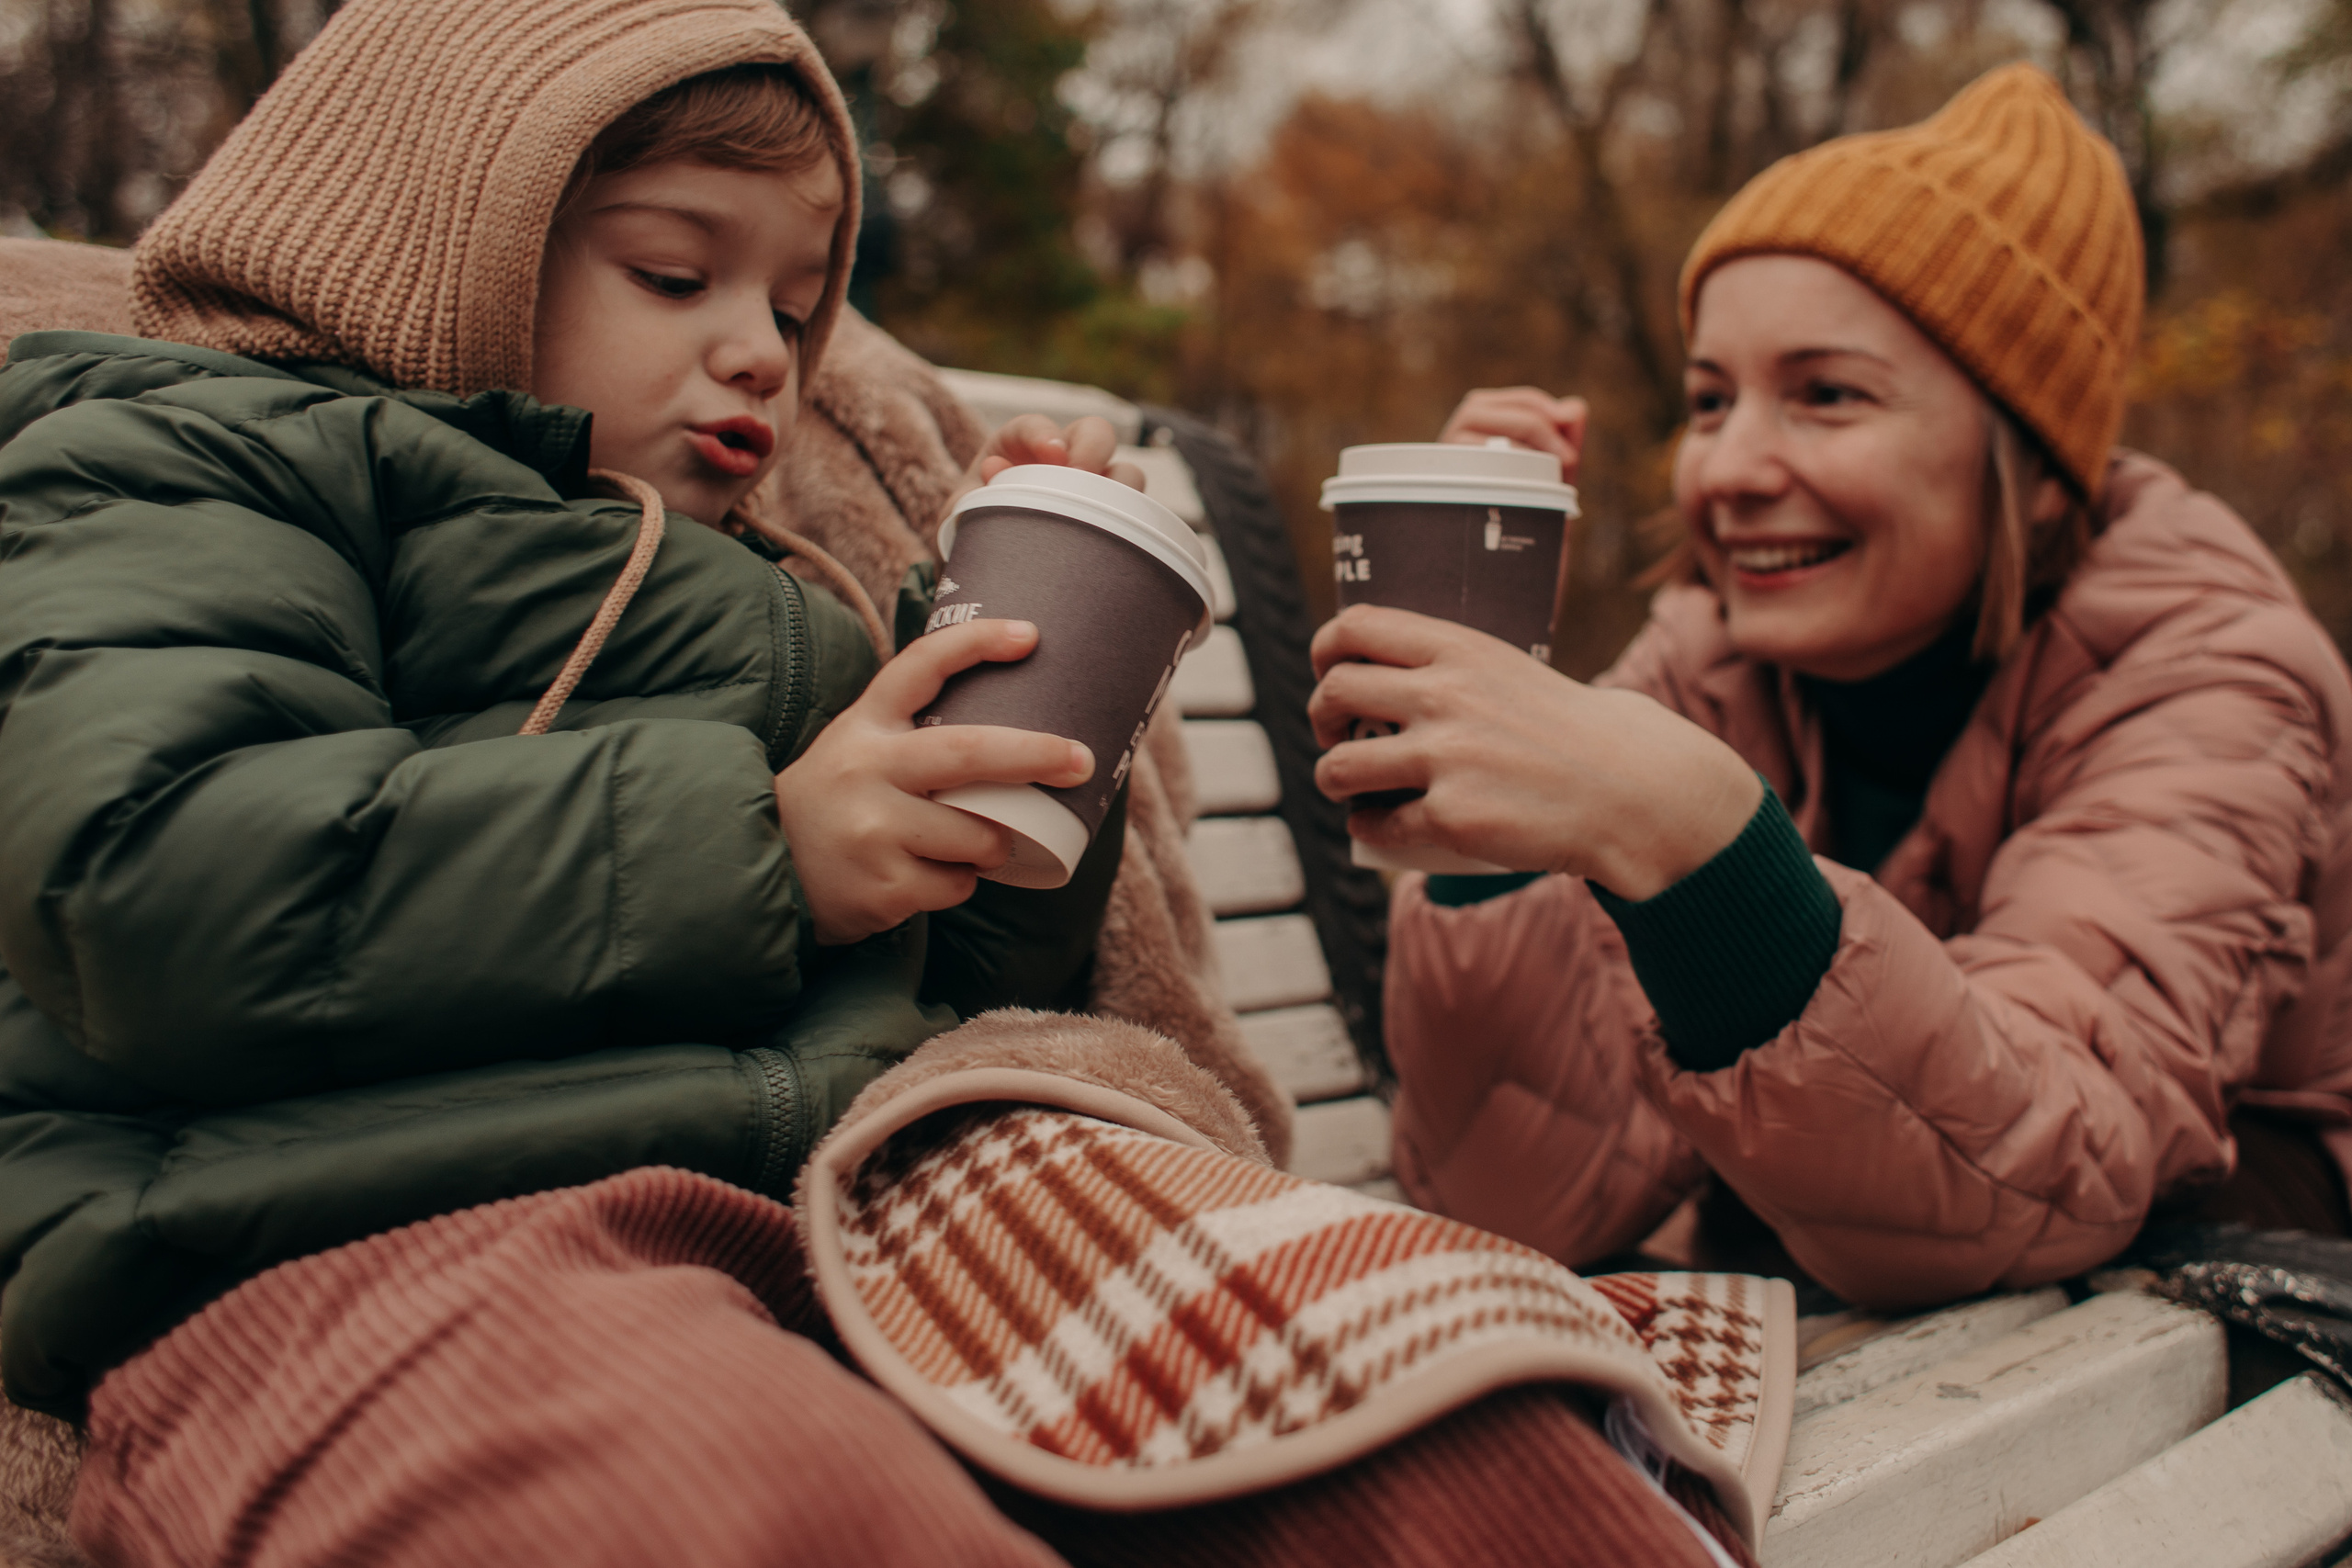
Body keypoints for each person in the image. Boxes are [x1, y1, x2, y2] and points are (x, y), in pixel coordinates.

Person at [0, 5, 1761, 1564]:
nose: (767, 348)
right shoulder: (189, 466)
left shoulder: (766, 588)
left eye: (790, 296)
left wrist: (995, 672)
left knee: (1423, 1415)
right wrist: (773, 853)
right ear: (432, 234)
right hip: (337, 1238)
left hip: (833, 1198)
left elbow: (958, 983)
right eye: (676, 275)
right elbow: (148, 884)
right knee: (736, 1504)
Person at [1317, 62, 2352, 1311]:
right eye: (1711, 400)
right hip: (1891, 1308)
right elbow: (1518, 1202)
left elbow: (2053, 1161)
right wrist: (1486, 798)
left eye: (1827, 396)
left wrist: (1707, 858)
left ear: (2027, 469)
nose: (1732, 467)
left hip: (2235, 1321)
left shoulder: (2212, 680)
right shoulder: (1704, 670)